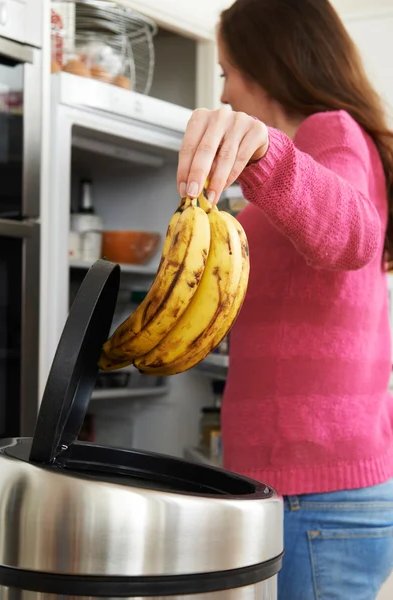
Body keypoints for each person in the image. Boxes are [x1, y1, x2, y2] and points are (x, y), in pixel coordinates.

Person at [176, 0, 393, 598]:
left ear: (264, 63)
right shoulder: (315, 160)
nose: (225, 93)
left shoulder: (332, 130)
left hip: (314, 496)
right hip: (305, 493)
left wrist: (265, 151)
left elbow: (353, 234)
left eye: (225, 71)